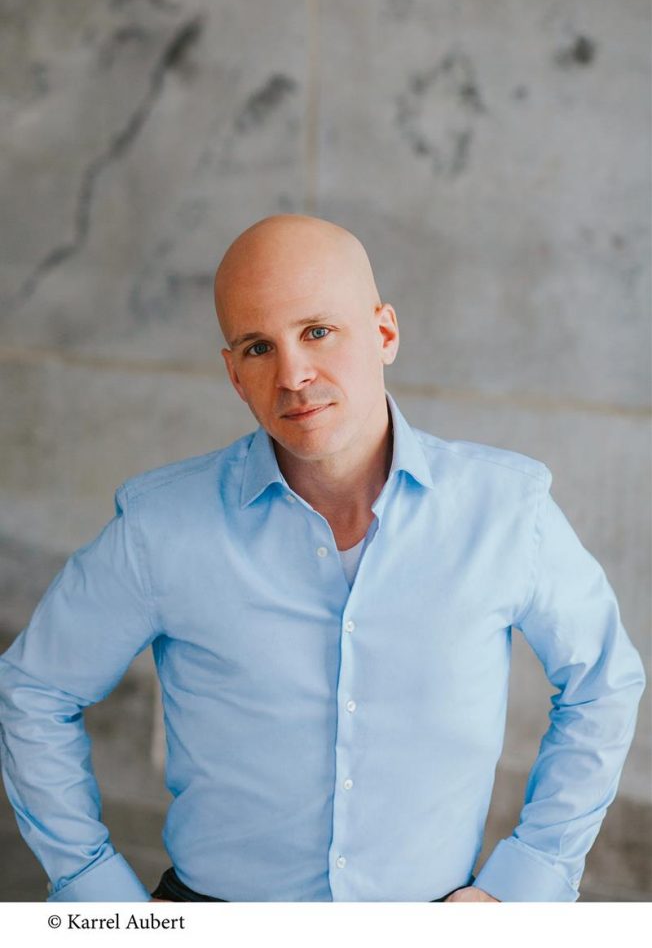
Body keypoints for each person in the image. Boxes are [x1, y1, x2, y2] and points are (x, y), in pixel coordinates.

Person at [0, 214, 645, 904]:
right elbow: (35, 691)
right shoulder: (158, 527)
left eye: (317, 331)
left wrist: (529, 879)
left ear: (384, 334)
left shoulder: (509, 509)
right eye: (258, 347)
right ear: (234, 374)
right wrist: (97, 894)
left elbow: (603, 684)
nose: (293, 375)